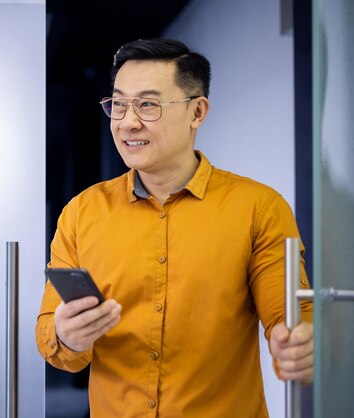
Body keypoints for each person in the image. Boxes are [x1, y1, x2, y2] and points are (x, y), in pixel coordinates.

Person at [36, 38, 313, 417]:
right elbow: (54, 342)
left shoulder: (259, 208)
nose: (128, 121)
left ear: (197, 112)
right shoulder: (81, 213)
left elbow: (292, 320)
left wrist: (298, 345)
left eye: (148, 104)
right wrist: (67, 336)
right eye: (118, 104)